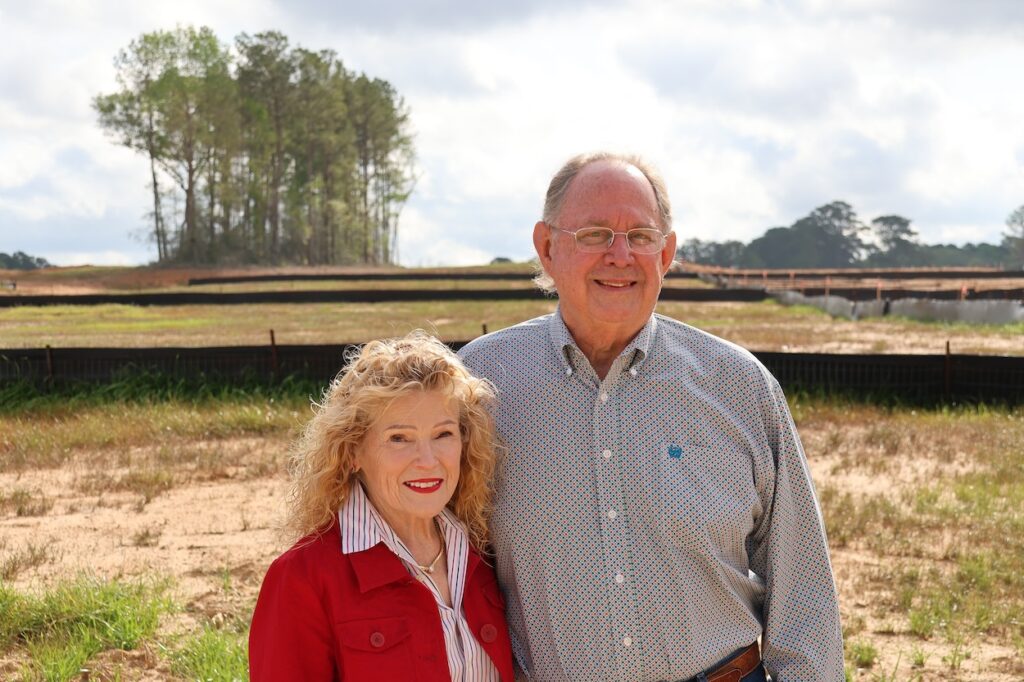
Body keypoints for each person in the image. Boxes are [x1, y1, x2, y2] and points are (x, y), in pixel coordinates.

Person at [459, 152, 844, 681]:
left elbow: (802, 583)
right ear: (547, 248)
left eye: (640, 236)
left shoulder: (739, 384)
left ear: (666, 253)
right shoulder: (478, 386)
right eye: (594, 234)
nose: (621, 255)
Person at [250, 331, 514, 681]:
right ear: (353, 452)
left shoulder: (481, 552)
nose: (428, 460)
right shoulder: (303, 578)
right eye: (399, 438)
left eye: (443, 434)